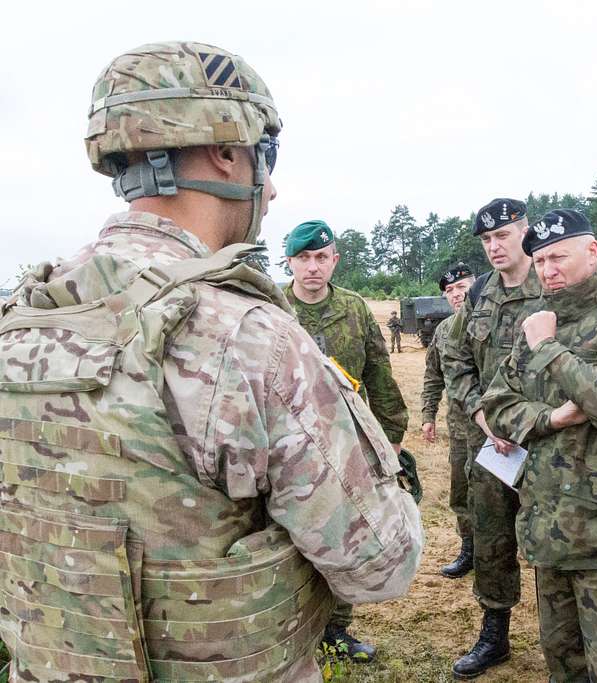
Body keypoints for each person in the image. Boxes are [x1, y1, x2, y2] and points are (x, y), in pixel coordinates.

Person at [0, 41, 422, 681]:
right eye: (265, 159)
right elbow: (380, 564)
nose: (271, 187)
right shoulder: (249, 336)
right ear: (229, 152)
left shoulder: (19, 323)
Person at [482, 209, 597, 682]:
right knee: (562, 666)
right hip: (550, 530)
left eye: (558, 257)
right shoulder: (539, 321)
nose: (548, 270)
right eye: (541, 260)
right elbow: (494, 405)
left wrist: (548, 349)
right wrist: (549, 418)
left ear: (593, 252)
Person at [283, 218, 410, 661]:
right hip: (288, 448)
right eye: (303, 258)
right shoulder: (271, 308)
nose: (313, 267)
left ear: (335, 260)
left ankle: (336, 629)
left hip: (347, 445)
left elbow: (379, 372)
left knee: (345, 535)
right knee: (288, 538)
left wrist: (392, 436)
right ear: (289, 262)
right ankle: (293, 630)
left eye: (321, 258)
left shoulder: (355, 309)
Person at [442, 197, 542, 678]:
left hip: (549, 442)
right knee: (492, 537)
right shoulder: (480, 293)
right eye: (486, 240)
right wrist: (481, 414)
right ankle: (494, 632)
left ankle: (567, 634)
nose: (494, 246)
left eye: (502, 235)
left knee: (552, 537)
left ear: (526, 231)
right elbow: (455, 358)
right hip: (494, 444)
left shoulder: (555, 286)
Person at [422, 262, 476, 578]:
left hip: (499, 431)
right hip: (460, 430)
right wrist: (428, 415)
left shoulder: (496, 324)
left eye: (462, 287)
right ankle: (469, 551)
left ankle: (506, 553)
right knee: (462, 494)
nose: (456, 295)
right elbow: (433, 376)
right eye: (449, 291)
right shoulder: (443, 332)